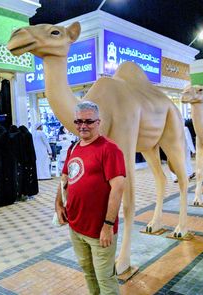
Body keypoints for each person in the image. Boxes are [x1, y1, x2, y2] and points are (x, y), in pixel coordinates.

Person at [55, 101, 126, 295]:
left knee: (106, 279)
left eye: (88, 121)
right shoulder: (74, 148)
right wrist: (59, 204)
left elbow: (118, 189)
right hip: (76, 226)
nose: (82, 125)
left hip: (100, 230)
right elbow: (64, 179)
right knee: (88, 273)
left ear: (98, 122)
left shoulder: (109, 149)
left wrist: (107, 226)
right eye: (78, 121)